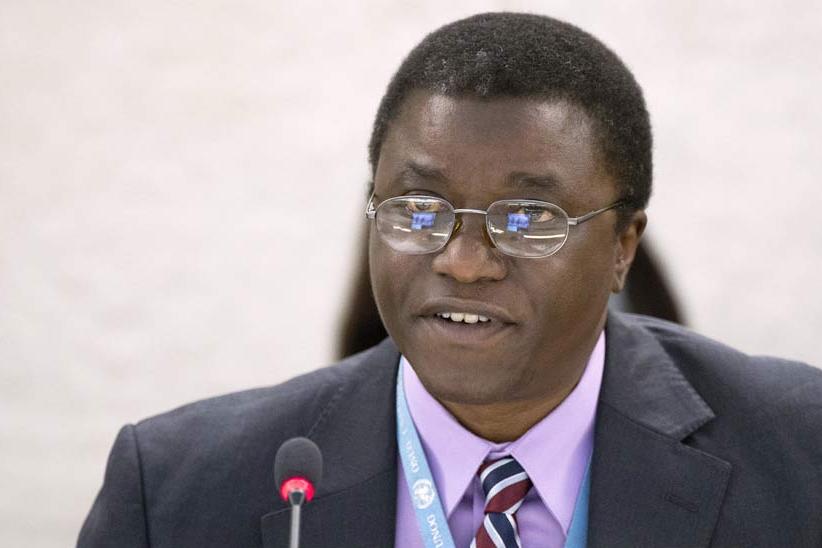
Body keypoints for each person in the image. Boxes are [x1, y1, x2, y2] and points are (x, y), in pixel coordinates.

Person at [78, 12, 822, 548]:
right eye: (419, 209)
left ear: (623, 246)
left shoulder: (800, 455)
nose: (464, 261)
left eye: (527, 218)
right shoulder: (176, 493)